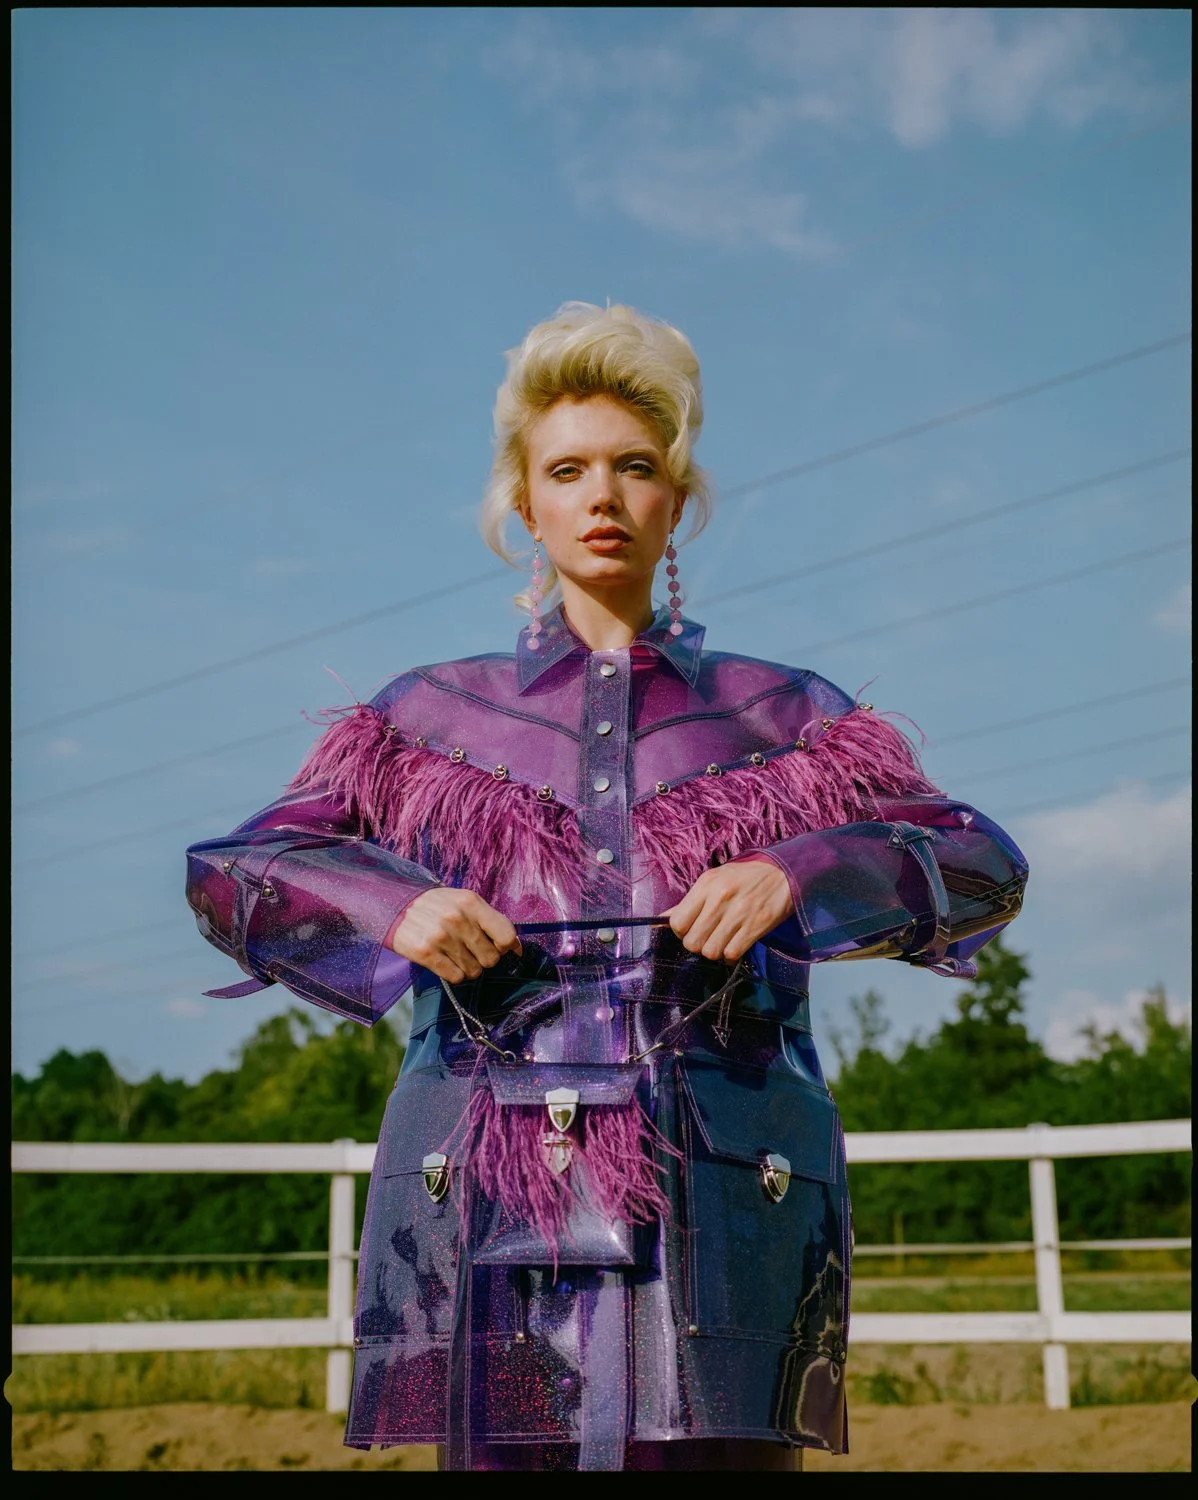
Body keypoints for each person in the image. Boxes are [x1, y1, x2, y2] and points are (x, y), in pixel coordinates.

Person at [185, 302, 1028, 1471]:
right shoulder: (425, 717)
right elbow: (236, 873)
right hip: (484, 1197)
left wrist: (800, 869)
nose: (602, 495)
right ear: (522, 504)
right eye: (566, 469)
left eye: (636, 467)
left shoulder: (781, 715)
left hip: (727, 1197)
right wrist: (395, 904)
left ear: (675, 501)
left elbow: (981, 863)